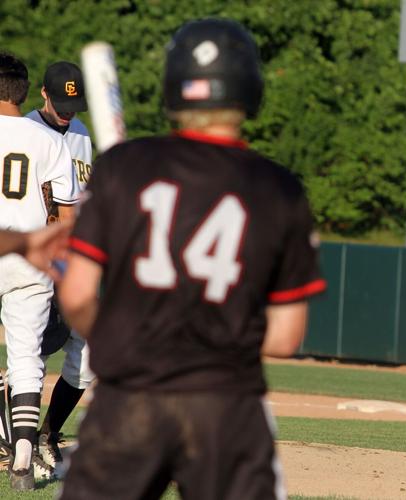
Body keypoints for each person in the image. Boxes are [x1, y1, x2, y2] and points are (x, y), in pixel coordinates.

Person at [57, 18, 326, 500]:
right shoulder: (280, 189)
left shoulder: (123, 166)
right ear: (249, 87)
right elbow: (286, 337)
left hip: (130, 397)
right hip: (227, 405)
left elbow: (76, 294)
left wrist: (125, 335)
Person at [0, 51, 79, 490]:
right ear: (26, 93)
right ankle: (24, 457)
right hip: (31, 256)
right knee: (27, 355)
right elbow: (66, 220)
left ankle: (4, 435)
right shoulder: (50, 140)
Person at [26, 61, 94, 470]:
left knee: (86, 355)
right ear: (43, 95)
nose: (69, 110)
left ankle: (49, 435)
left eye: (76, 102)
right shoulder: (27, 132)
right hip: (36, 256)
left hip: (77, 258)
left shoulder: (82, 133)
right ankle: (17, 442)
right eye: (62, 101)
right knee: (34, 350)